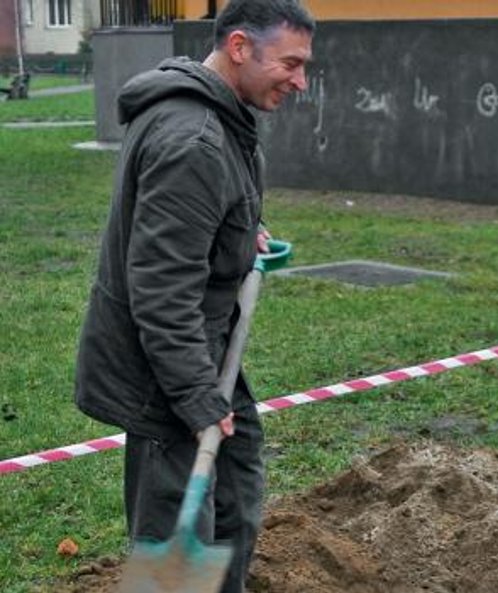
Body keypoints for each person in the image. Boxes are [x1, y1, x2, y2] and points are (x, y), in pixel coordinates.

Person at [74, 0, 314, 590]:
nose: (301, 81)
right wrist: (197, 397)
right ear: (239, 47)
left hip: (203, 355)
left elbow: (192, 230)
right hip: (168, 374)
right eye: (290, 63)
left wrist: (238, 234)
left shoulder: (218, 119)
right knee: (173, 544)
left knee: (232, 498)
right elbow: (160, 290)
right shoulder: (194, 139)